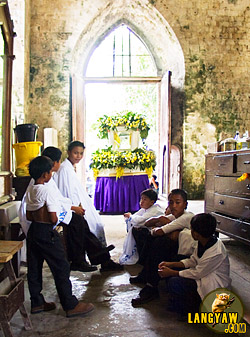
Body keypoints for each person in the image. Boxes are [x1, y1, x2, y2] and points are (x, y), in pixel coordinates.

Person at [19, 147, 122, 272]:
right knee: (77, 223)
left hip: (49, 212)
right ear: (53, 163)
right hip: (46, 218)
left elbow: (57, 199)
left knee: (81, 223)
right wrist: (72, 207)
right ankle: (81, 259)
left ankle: (98, 256)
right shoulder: (44, 181)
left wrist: (72, 207)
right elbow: (53, 203)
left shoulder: (44, 178)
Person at [25, 155, 94, 317]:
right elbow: (54, 217)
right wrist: (55, 226)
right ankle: (70, 305)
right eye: (50, 172)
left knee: (34, 267)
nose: (51, 175)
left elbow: (28, 215)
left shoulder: (30, 190)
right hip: (46, 232)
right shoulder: (47, 190)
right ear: (45, 174)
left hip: (33, 231)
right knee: (61, 266)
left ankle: (37, 302)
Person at [158, 213, 231, 319]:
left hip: (211, 283)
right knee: (176, 261)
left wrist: (172, 272)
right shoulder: (203, 241)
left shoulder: (216, 252)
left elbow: (197, 273)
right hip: (202, 274)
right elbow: (193, 260)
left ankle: (193, 311)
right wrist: (171, 264)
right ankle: (179, 304)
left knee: (175, 282)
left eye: (191, 229)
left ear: (196, 234)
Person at [131, 189, 196, 306]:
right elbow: (148, 224)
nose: (174, 206)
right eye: (171, 202)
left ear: (185, 204)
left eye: (178, 202)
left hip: (186, 255)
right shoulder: (174, 216)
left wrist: (165, 227)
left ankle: (151, 285)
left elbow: (160, 231)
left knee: (161, 242)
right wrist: (162, 220)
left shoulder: (187, 217)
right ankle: (146, 273)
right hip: (177, 248)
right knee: (147, 235)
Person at [53, 141, 106, 245]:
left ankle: (100, 254)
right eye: (75, 153)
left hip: (76, 205)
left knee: (97, 224)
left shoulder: (70, 167)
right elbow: (65, 191)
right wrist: (76, 206)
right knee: (91, 225)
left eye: (81, 153)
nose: (78, 156)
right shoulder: (64, 169)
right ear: (68, 152)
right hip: (71, 207)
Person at [119, 189, 164, 265]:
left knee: (138, 230)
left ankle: (144, 258)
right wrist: (131, 217)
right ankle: (141, 256)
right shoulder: (145, 209)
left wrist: (130, 217)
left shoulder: (155, 210)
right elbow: (136, 217)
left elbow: (140, 220)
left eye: (145, 199)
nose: (141, 201)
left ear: (152, 202)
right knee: (136, 229)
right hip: (147, 231)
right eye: (141, 199)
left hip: (155, 234)